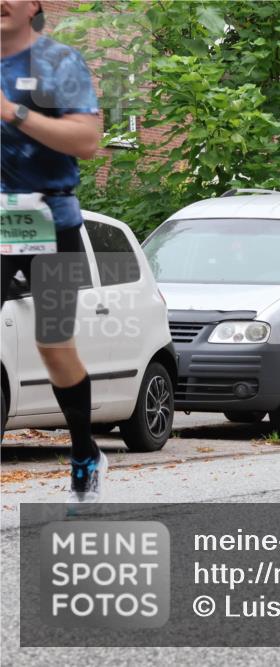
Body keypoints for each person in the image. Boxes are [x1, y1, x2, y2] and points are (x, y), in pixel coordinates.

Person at [1, 0, 103, 500]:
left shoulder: (59, 62)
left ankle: (84, 450)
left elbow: (87, 140)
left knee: (54, 345)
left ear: (34, 5)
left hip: (50, 221)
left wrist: (12, 112)